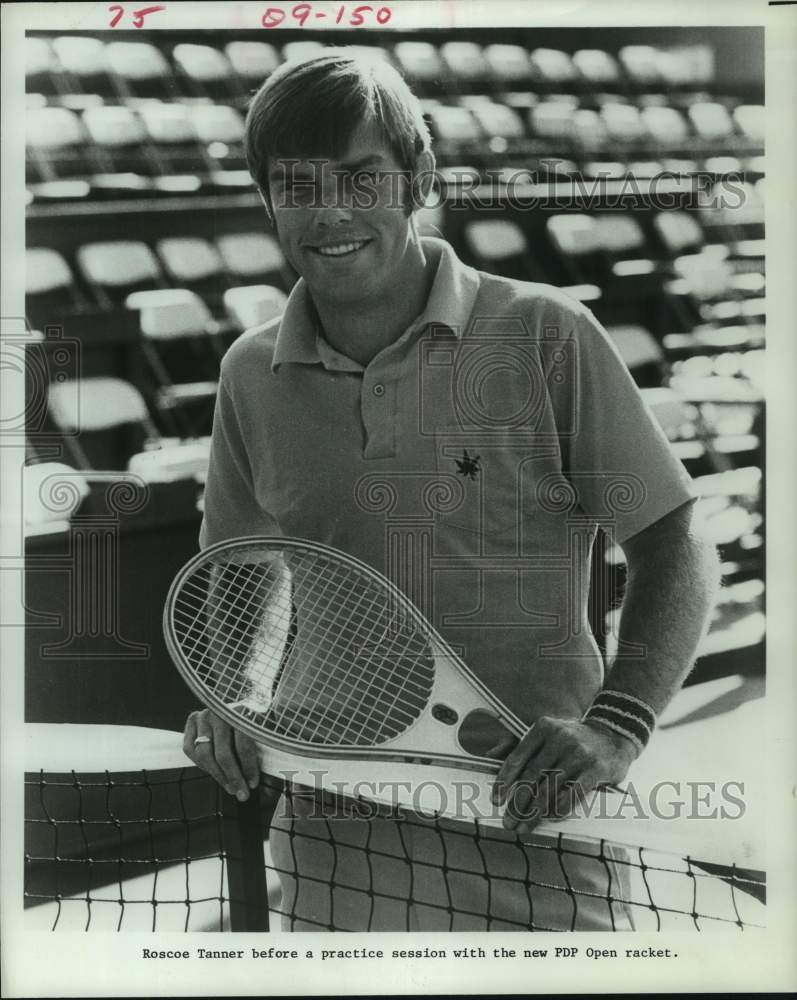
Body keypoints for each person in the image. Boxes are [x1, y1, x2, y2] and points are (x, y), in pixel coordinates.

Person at [183, 48, 720, 931]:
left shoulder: (545, 332)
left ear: (420, 178)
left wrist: (618, 723)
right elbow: (242, 564)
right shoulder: (249, 370)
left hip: (530, 823)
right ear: (267, 199)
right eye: (296, 184)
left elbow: (674, 539)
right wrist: (233, 691)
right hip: (329, 838)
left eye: (361, 178)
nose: (329, 212)